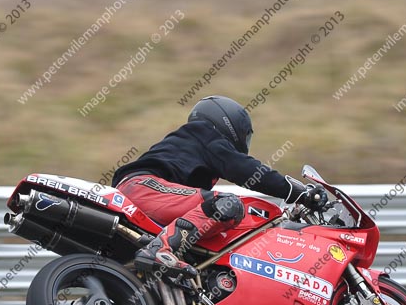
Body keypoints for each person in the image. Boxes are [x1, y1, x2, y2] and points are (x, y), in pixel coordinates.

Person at [111, 95, 327, 278]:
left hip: (142, 193)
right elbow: (248, 170)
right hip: (144, 188)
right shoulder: (204, 134)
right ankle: (161, 250)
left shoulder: (191, 146)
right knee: (227, 205)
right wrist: (297, 192)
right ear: (228, 123)